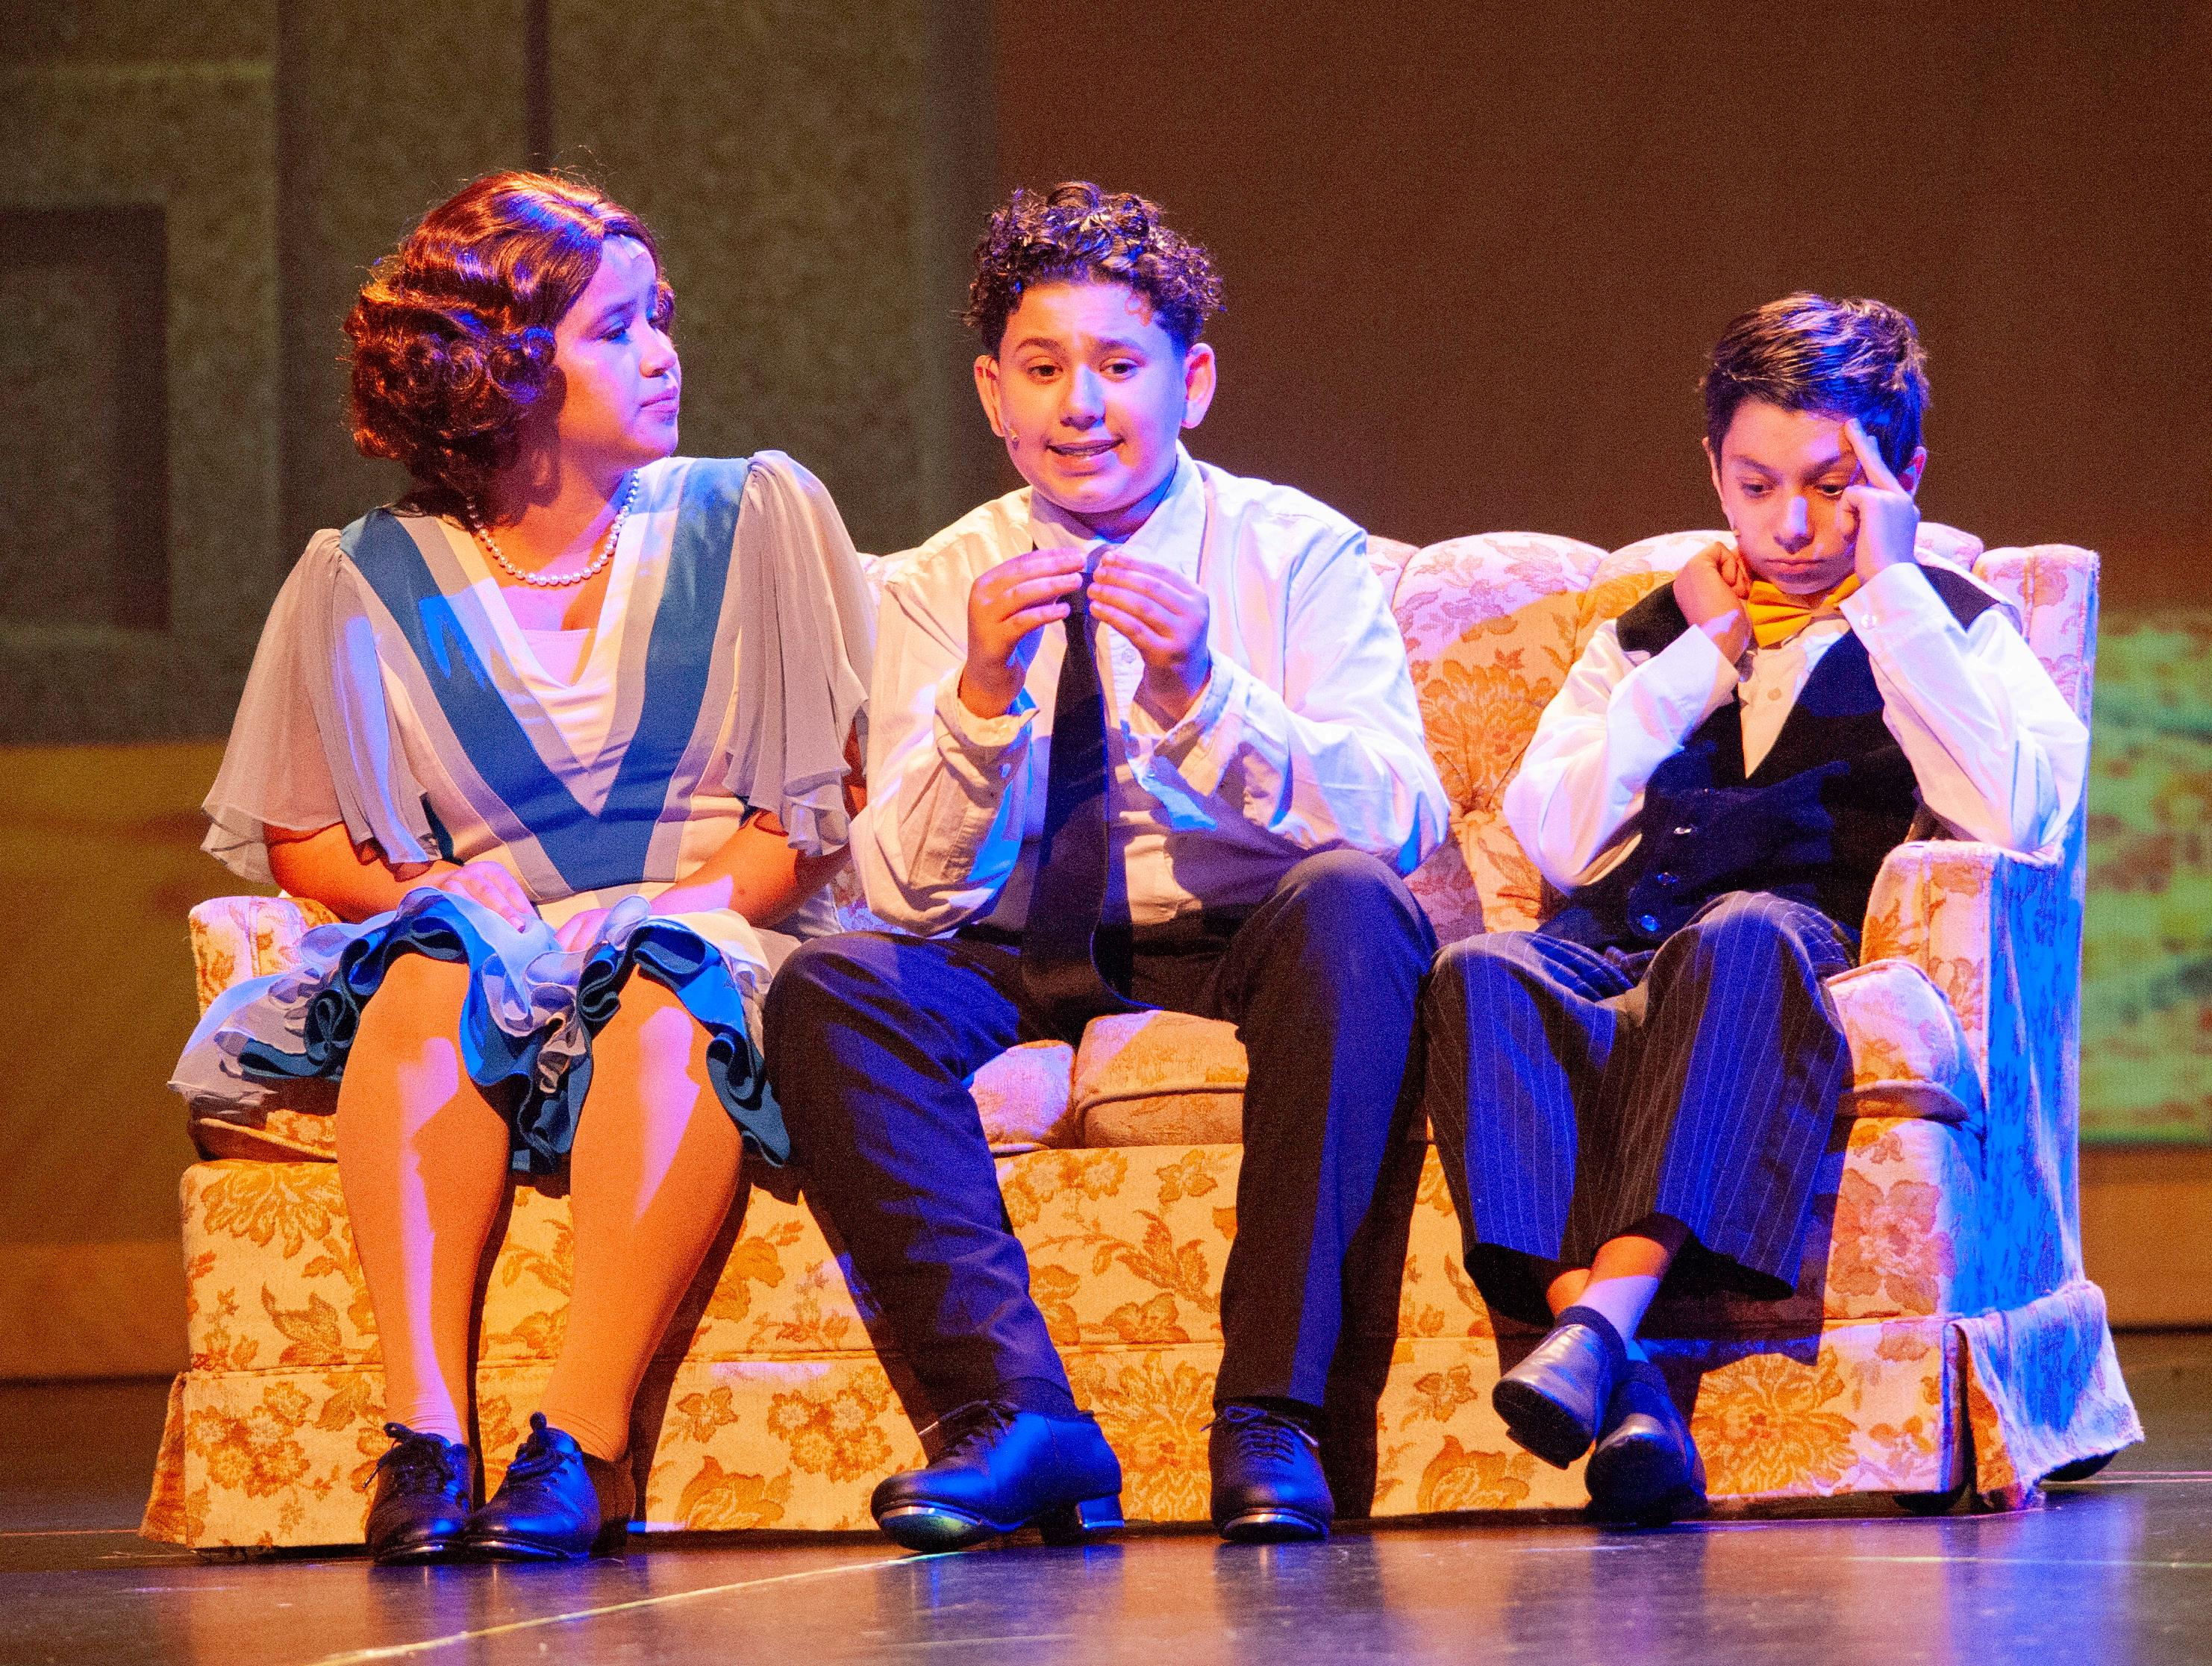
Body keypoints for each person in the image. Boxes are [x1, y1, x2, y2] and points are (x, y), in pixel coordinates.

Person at [171, 172, 872, 1564]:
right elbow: (305, 833)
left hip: (710, 934)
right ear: (501, 363)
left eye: (658, 317)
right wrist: (421, 890)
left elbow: (818, 807)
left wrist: (679, 904)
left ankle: (579, 1441)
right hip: (506, 962)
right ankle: (426, 1435)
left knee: (670, 983)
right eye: (617, 329)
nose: (662, 352)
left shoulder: (753, 519)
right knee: (431, 967)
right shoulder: (360, 578)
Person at [764, 182, 1449, 1548]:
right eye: (1042, 368)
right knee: (828, 988)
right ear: (992, 395)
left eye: (1119, 366)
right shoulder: (937, 583)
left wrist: (1202, 691)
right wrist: (978, 697)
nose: (1080, 403)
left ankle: (1274, 1415)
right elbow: (902, 891)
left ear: (1191, 384)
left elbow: (1398, 819)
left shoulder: (1295, 552)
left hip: (1235, 931)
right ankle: (1017, 1418)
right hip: (1012, 943)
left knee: (1355, 907)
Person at [1419, 293, 2087, 1524]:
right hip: (1623, 943)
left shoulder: (1955, 626)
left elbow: (2016, 815)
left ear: (1902, 477)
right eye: (1755, 484)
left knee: (1742, 932)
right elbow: (1556, 835)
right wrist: (1698, 655)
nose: (1790, 524)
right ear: (1715, 473)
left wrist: (1893, 594)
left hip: (1784, 947)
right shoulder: (1658, 631)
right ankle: (1620, 1381)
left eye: (1832, 486)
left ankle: (1598, 1330)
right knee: (1483, 971)